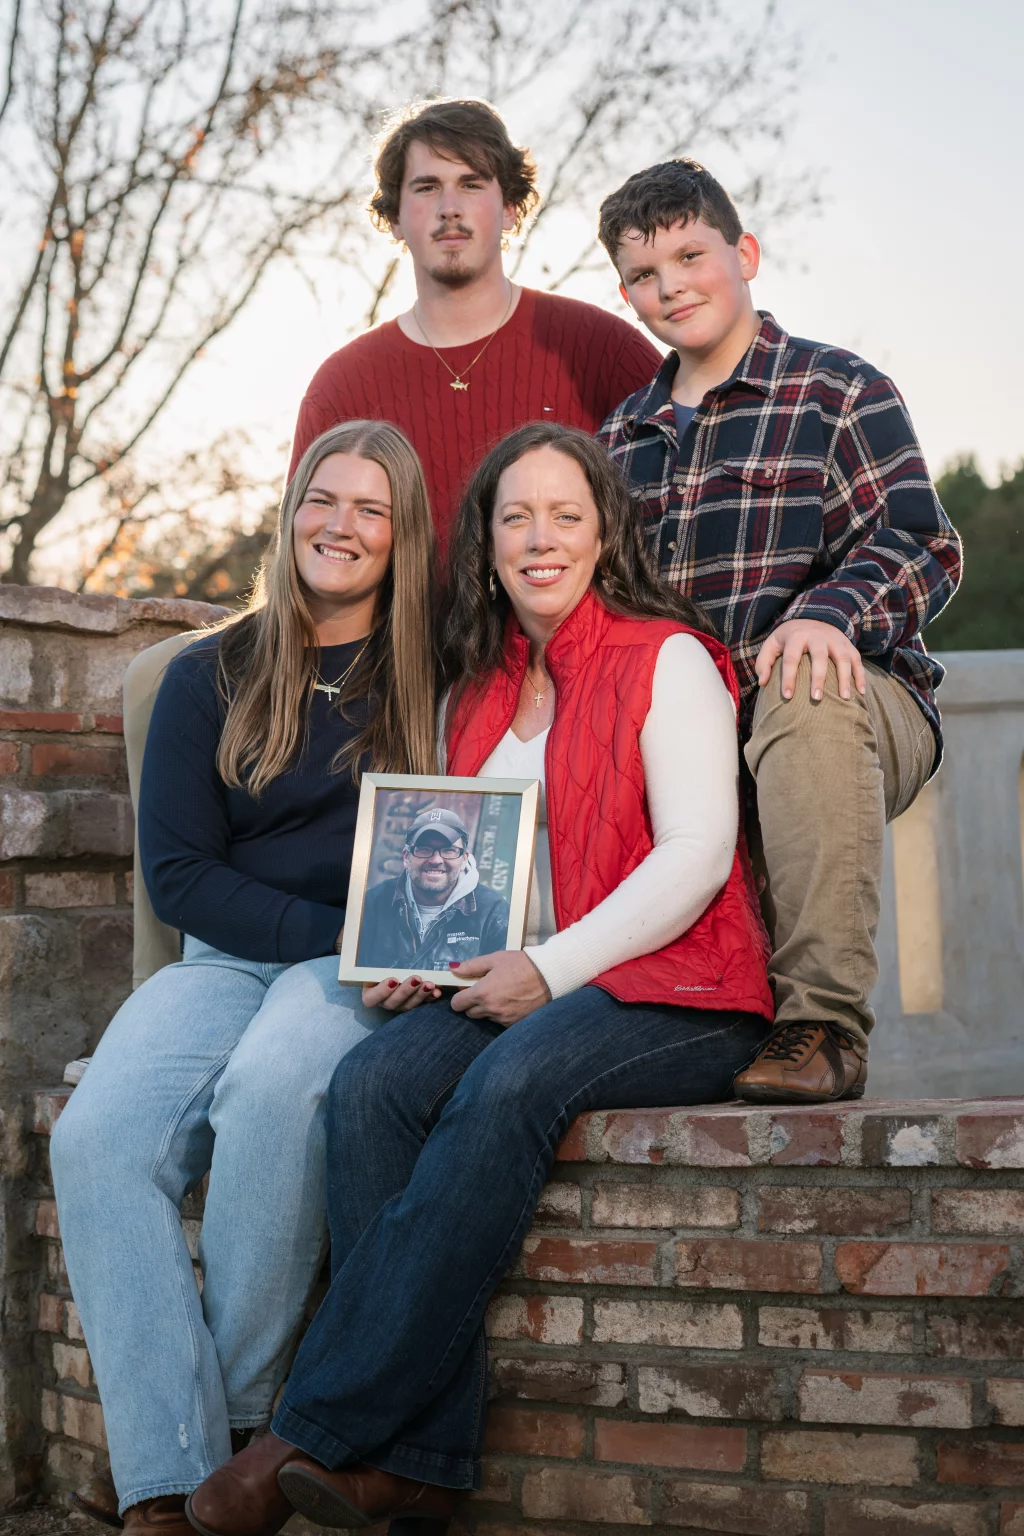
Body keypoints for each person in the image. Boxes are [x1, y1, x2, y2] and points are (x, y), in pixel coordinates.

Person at [183, 422, 774, 1536]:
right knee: (374, 1083)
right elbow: (457, 865)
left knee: (505, 1088)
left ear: (605, 531)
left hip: (677, 986)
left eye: (564, 514)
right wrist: (419, 960)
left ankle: (310, 1428)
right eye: (515, 517)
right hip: (518, 977)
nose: (539, 538)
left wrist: (547, 971)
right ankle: (415, 1464)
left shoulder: (668, 658)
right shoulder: (477, 684)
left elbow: (695, 858)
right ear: (486, 543)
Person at [49, 421, 438, 1536]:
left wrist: (378, 953)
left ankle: (211, 1461)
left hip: (362, 975)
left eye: (371, 508)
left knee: (275, 1089)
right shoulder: (207, 672)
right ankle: (174, 1479)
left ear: (401, 533)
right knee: (96, 1141)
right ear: (292, 511)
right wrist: (325, 931)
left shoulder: (433, 672)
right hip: (225, 958)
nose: (342, 525)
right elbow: (178, 875)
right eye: (325, 499)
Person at [595, 159, 963, 1104]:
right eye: (644, 274)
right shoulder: (615, 441)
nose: (671, 285)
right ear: (626, 294)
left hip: (852, 706)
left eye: (690, 254)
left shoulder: (840, 390)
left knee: (805, 688)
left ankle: (824, 1026)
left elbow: (922, 542)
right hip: (694, 733)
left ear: (744, 253)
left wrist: (825, 613)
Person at [288, 98, 660, 552]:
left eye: (470, 183)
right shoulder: (341, 387)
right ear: (395, 218)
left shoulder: (603, 350)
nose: (449, 207)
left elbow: (682, 520)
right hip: (400, 627)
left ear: (510, 209)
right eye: (426, 187)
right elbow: (300, 561)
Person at [357, 808, 511, 969]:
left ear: (464, 859)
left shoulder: (494, 911)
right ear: (406, 857)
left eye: (448, 850)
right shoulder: (372, 903)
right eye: (424, 849)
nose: (436, 860)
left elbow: (503, 982)